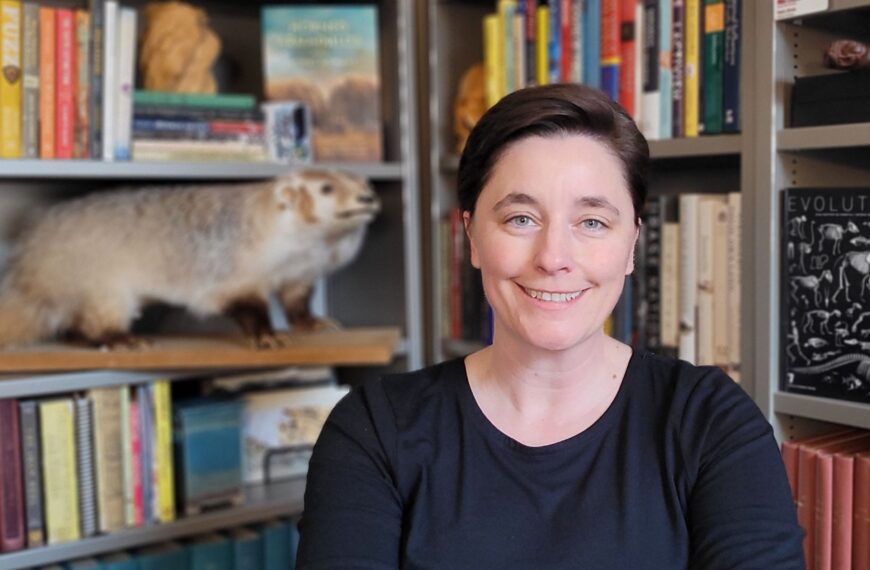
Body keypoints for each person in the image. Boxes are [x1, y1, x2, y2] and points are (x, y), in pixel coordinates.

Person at [296, 84, 804, 568]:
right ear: (471, 236)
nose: (553, 258)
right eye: (521, 218)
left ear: (631, 245)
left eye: (592, 222)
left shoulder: (712, 423)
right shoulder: (374, 430)